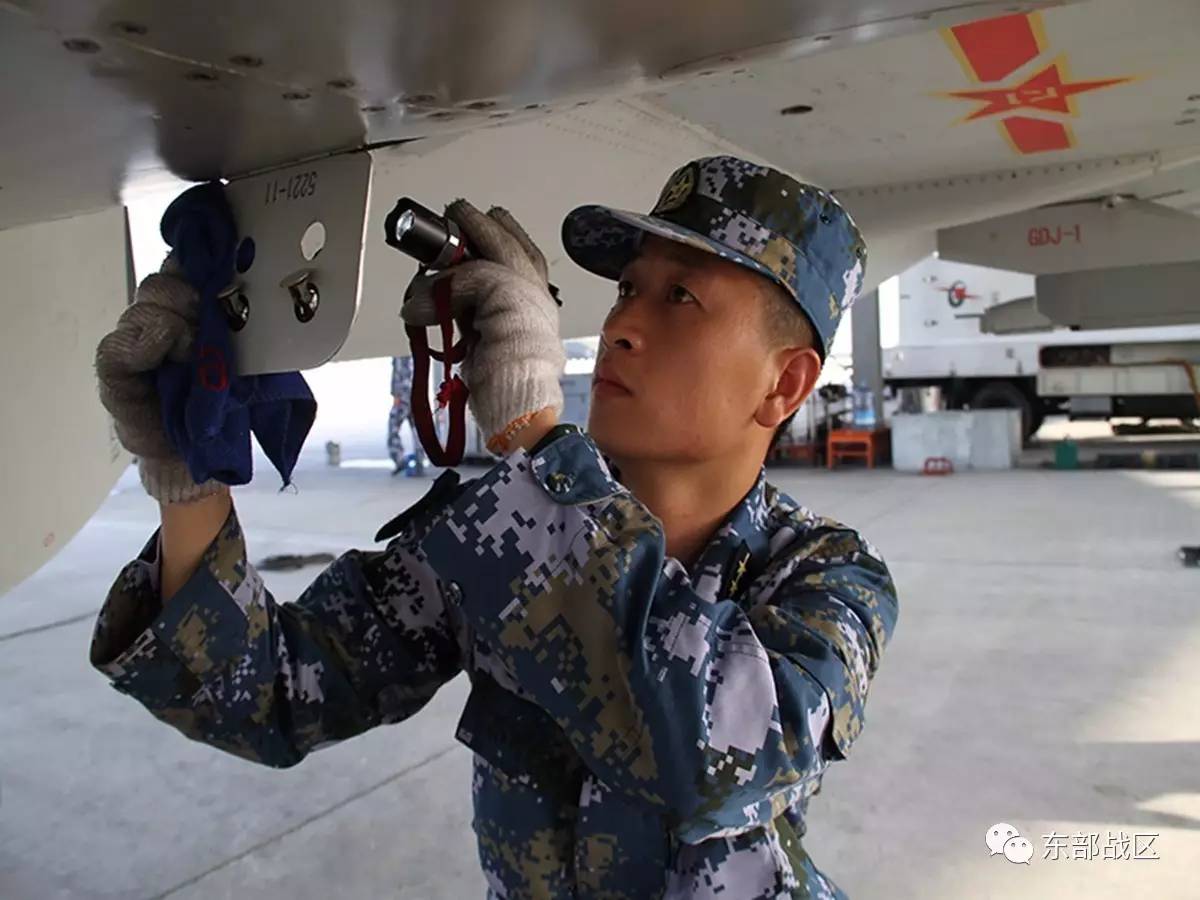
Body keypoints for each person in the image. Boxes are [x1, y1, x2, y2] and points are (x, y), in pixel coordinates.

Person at [91, 155, 898, 899]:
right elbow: (269, 695)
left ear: (784, 385)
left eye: (680, 297)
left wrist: (534, 443)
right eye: (626, 289)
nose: (620, 326)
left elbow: (715, 761)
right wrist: (183, 472)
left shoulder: (828, 578)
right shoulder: (501, 535)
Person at [388, 354, 425, 476]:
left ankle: (399, 459)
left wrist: (396, 394)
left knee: (393, 428)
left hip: (404, 396)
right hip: (416, 395)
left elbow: (399, 372)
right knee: (418, 431)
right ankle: (419, 462)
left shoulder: (400, 351)